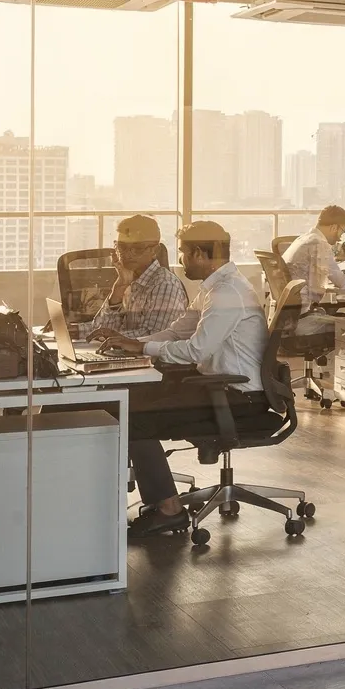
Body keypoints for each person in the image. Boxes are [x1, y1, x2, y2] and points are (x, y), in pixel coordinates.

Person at [100, 221, 270, 540]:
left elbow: (194, 350)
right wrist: (133, 344)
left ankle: (169, 511)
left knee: (136, 416)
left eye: (183, 253)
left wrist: (143, 347)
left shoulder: (226, 293)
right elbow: (180, 330)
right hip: (218, 386)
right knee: (129, 401)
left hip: (237, 396)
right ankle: (156, 501)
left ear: (199, 253)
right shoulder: (215, 287)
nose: (181, 260)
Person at [85, 215, 188, 341]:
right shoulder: (128, 280)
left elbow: (155, 335)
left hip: (154, 360)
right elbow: (101, 329)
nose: (128, 254)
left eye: (138, 248)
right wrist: (118, 290)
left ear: (155, 250)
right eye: (122, 247)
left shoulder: (165, 284)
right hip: (125, 356)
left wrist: (111, 337)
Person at [282, 205, 345, 333]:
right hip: (304, 320)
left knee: (342, 321)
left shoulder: (304, 239)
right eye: (342, 231)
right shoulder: (319, 243)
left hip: (291, 319)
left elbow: (320, 273)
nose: (340, 237)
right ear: (334, 227)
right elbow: (342, 283)